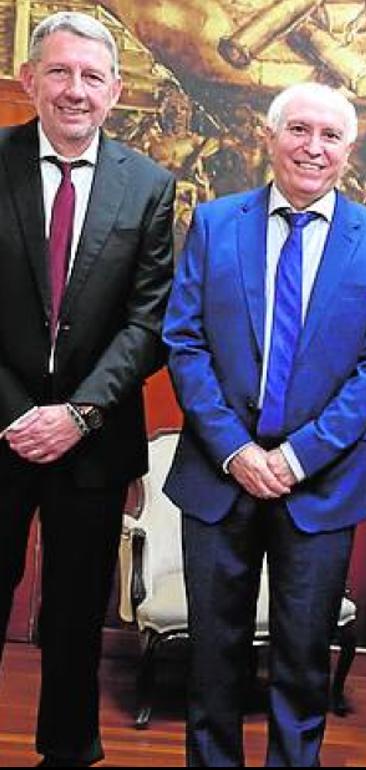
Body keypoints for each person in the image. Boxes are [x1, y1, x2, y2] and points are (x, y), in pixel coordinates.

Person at [162, 82, 366, 766]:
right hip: (219, 477)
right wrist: (236, 449)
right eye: (299, 129)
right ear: (270, 138)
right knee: (214, 658)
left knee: (303, 664)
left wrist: (297, 458)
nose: (313, 147)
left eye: (330, 136)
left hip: (320, 487)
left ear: (349, 151)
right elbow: (184, 343)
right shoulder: (215, 225)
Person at [0, 12, 175, 766]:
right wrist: (17, 414)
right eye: (61, 72)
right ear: (30, 79)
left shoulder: (151, 187)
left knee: (75, 613)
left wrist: (77, 413)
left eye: (92, 77)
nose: (76, 90)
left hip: (95, 438)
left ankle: (67, 752)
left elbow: (150, 320)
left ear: (116, 91)